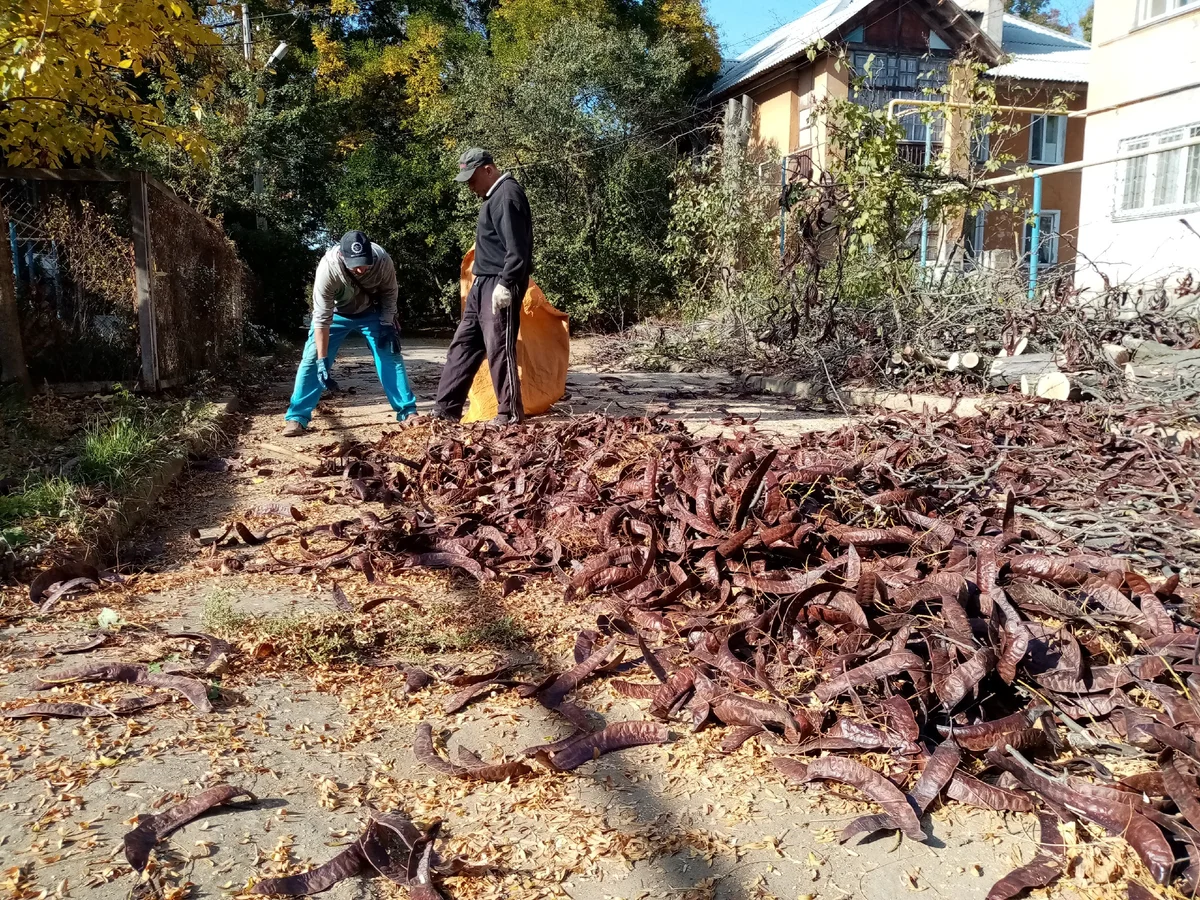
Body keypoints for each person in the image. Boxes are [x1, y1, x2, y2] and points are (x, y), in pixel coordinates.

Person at [432, 148, 534, 426]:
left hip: (499, 283)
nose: (470, 187)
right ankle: (444, 411)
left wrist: (506, 284)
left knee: (499, 347)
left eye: (472, 179)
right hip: (482, 283)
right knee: (463, 345)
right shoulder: (493, 197)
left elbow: (518, 249)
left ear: (488, 170)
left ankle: (510, 414)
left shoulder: (507, 196)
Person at [282, 231, 417, 436]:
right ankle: (297, 417)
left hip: (371, 312)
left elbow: (390, 291)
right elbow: (321, 318)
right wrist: (321, 359)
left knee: (390, 355)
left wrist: (387, 324)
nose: (362, 269)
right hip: (336, 315)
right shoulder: (328, 268)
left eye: (365, 262)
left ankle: (408, 412)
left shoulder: (382, 259)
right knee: (311, 359)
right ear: (343, 257)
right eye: (356, 264)